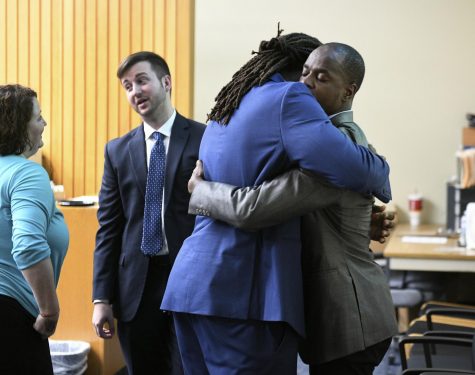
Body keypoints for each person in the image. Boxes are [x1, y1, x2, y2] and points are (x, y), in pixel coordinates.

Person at [161, 31, 391, 374]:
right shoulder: (291, 102)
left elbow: (284, 195)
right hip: (243, 295)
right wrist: (381, 170)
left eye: (321, 76)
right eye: (306, 73)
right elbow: (258, 205)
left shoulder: (230, 105)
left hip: (193, 286)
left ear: (349, 89)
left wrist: (200, 190)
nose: (307, 83)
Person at [92, 51, 205, 375]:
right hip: (135, 289)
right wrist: (101, 298)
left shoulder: (203, 138)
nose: (134, 91)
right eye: (128, 86)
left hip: (190, 279)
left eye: (141, 81)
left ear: (165, 82)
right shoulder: (117, 150)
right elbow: (109, 229)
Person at [0, 84, 69, 375]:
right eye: (38, 117)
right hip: (12, 316)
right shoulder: (26, 173)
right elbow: (28, 245)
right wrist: (49, 311)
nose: (44, 124)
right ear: (19, 127)